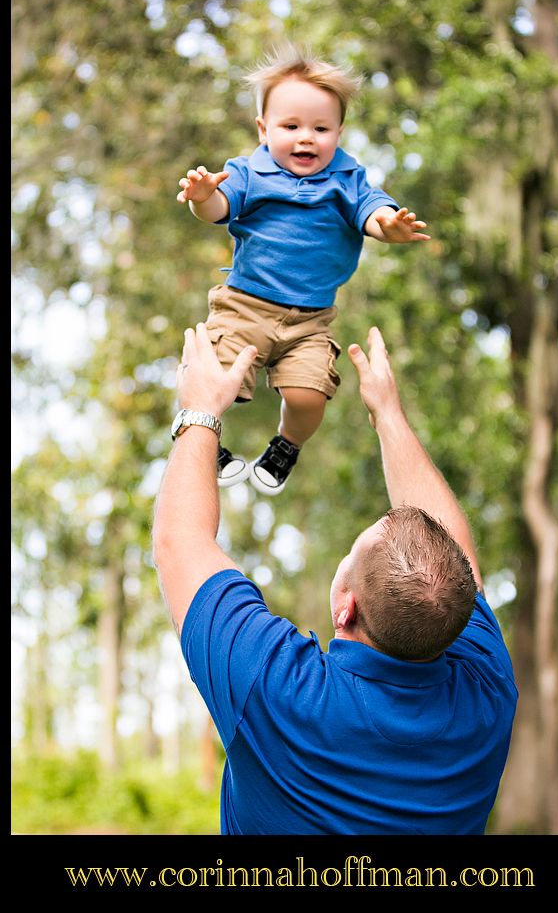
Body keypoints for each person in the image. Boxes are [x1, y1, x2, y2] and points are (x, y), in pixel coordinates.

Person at [153, 322, 518, 835]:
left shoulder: (278, 692)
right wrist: (388, 415)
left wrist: (198, 409)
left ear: (345, 607)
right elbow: (454, 568)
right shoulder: (486, 695)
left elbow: (179, 543)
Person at [176, 48, 430, 495]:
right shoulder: (248, 173)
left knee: (309, 395)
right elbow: (217, 209)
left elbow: (372, 212)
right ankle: (199, 433)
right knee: (214, 377)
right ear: (263, 129)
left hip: (310, 321)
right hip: (245, 306)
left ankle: (286, 446)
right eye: (290, 127)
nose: (306, 138)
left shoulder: (348, 180)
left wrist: (389, 227)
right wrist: (201, 196)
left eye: (320, 128)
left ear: (339, 132)